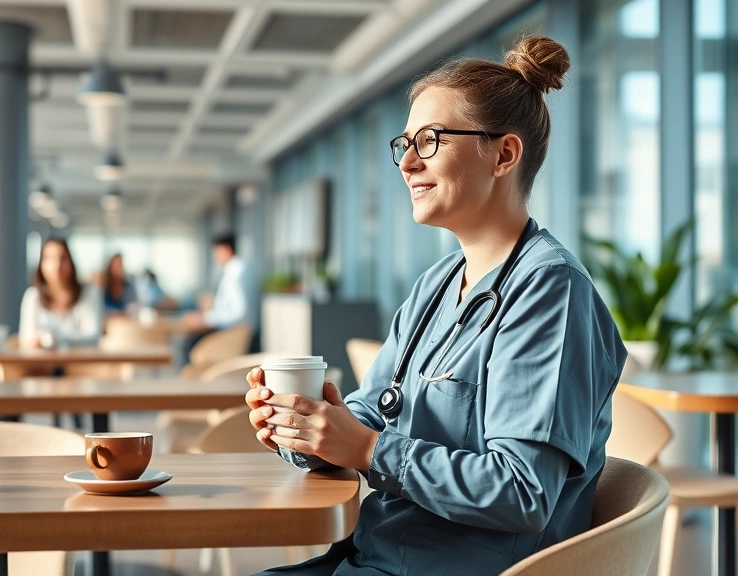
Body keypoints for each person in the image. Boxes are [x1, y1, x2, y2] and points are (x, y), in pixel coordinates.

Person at [245, 36, 627, 575]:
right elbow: (375, 411)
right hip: (375, 555)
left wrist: (370, 452)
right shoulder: (437, 285)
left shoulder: (549, 292)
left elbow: (522, 492)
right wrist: (310, 432)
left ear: (504, 154)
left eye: (430, 141)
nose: (407, 164)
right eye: (404, 145)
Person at [180, 233, 260, 364]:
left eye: (216, 252)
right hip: (233, 331)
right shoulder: (236, 270)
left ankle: (190, 382)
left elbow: (240, 313)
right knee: (189, 341)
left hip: (234, 334)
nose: (215, 257)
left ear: (226, 249)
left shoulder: (238, 274)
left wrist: (206, 319)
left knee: (189, 345)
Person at [19, 237, 103, 348]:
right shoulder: (33, 296)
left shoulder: (89, 292)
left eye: (63, 258)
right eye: (50, 258)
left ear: (71, 262)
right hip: (41, 364)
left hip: (80, 364)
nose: (57, 265)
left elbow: (93, 338)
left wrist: (53, 339)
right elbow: (27, 339)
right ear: (41, 264)